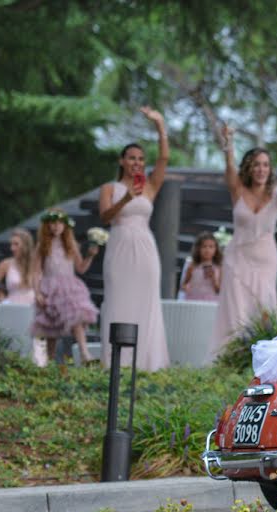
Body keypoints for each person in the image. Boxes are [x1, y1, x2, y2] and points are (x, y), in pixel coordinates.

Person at [209, 125, 277, 357]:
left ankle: (262, 355)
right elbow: (229, 168)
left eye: (266, 165)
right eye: (257, 164)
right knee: (235, 309)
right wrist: (228, 142)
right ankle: (230, 356)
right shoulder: (238, 189)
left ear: (271, 169)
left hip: (266, 259)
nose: (261, 169)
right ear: (249, 167)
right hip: (237, 258)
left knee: (264, 308)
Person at [98, 106, 171, 371]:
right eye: (131, 158)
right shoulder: (110, 188)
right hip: (119, 246)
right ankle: (115, 362)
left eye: (140, 158)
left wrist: (159, 124)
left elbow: (163, 158)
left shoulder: (150, 186)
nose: (137, 162)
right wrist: (127, 199)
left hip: (145, 248)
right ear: (121, 161)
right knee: (118, 299)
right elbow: (105, 216)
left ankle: (146, 362)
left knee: (147, 300)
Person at [31, 210, 99, 363]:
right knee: (51, 330)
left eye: (59, 223)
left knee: (77, 315)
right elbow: (36, 272)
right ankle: (50, 362)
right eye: (52, 223)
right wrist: (37, 292)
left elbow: (81, 268)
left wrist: (90, 256)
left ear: (65, 226)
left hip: (69, 288)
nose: (56, 227)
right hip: (50, 288)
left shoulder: (71, 245)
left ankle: (84, 352)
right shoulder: (42, 246)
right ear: (47, 226)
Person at [0, 228, 36, 305]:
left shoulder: (36, 264)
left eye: (16, 244)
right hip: (13, 308)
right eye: (11, 244)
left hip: (34, 310)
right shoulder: (6, 264)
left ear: (26, 245)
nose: (12, 248)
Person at [181, 231, 222, 302]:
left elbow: (220, 291)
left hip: (211, 302)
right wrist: (186, 288)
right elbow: (184, 284)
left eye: (211, 247)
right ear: (198, 248)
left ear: (216, 249)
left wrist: (213, 279)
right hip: (193, 300)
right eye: (204, 246)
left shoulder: (219, 267)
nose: (207, 250)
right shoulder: (192, 265)